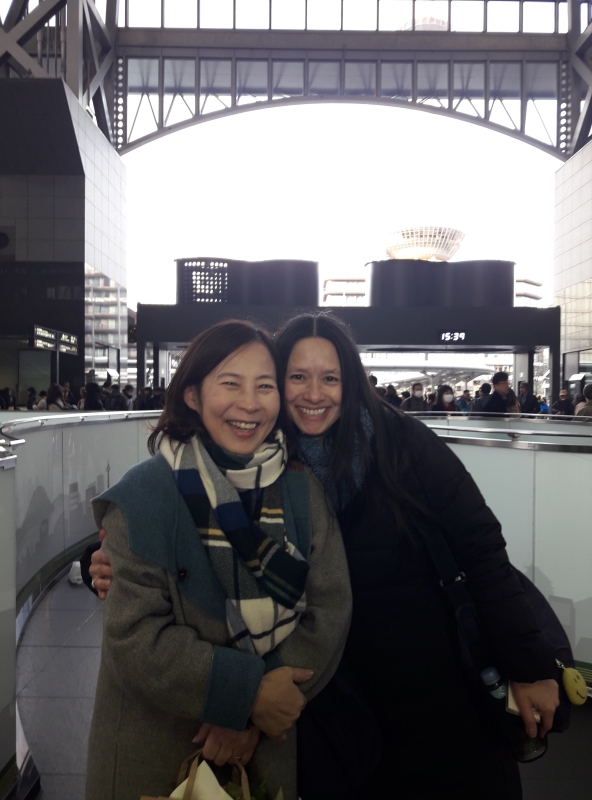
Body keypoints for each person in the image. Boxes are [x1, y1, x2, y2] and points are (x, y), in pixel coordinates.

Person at [90, 313, 560, 800]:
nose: (313, 394)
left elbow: (481, 548)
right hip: (330, 707)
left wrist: (529, 664)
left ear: (350, 383)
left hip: (427, 689)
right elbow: (157, 536)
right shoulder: (266, 460)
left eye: (330, 378)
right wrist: (104, 563)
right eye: (296, 377)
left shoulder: (396, 445)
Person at [85, 320, 351, 800]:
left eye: (265, 386)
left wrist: (261, 709)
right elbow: (135, 636)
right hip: (157, 745)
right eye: (230, 383)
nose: (250, 404)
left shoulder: (300, 490)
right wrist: (248, 694)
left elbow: (329, 610)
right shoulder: (145, 494)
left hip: (263, 748)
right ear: (192, 395)